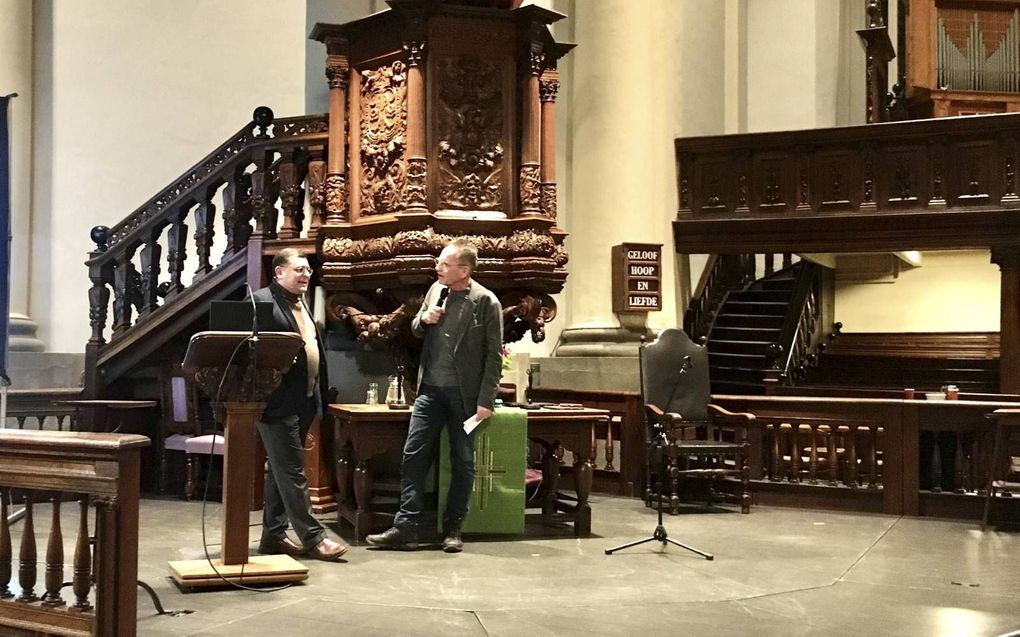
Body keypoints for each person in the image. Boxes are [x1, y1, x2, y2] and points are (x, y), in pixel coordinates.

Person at [366, 239, 503, 553]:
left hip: (465, 398)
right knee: (413, 455)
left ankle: (453, 528)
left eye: (444, 263)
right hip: (429, 392)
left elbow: (494, 356)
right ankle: (406, 527)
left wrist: (485, 400)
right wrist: (422, 320)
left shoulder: (486, 302)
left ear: (464, 270)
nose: (437, 267)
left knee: (463, 460)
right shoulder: (435, 290)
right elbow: (415, 330)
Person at [250, 248, 347, 561]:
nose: (306, 275)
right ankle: (313, 537)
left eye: (308, 270)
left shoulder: (302, 303)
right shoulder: (261, 301)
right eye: (299, 270)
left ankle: (273, 536)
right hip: (276, 402)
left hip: (304, 400)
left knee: (279, 472)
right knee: (292, 472)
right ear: (279, 273)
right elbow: (250, 353)